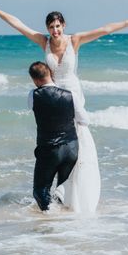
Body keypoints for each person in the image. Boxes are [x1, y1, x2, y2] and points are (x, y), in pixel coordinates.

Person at [0, 0, 128, 213]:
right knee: (57, 142)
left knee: (77, 144)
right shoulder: (44, 41)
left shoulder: (75, 40)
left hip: (72, 96)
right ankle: (58, 194)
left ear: (64, 25)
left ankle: (74, 194)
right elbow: (18, 25)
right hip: (53, 97)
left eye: (58, 26)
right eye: (51, 27)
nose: (55, 31)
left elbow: (106, 29)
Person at [28, 61, 89, 211]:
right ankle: (63, 221)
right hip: (71, 150)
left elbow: (35, 108)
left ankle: (49, 219)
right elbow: (84, 121)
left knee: (40, 190)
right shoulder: (71, 95)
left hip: (49, 150)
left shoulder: (33, 95)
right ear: (50, 73)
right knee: (63, 190)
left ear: (34, 79)